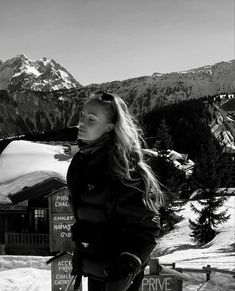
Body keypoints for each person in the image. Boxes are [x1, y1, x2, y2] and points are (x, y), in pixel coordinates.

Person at [66, 90, 163, 291]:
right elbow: (90, 217)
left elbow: (147, 230)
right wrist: (83, 249)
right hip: (95, 267)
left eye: (91, 119)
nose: (81, 124)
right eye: (82, 117)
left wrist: (127, 267)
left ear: (110, 127)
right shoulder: (80, 163)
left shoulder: (125, 169)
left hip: (119, 277)